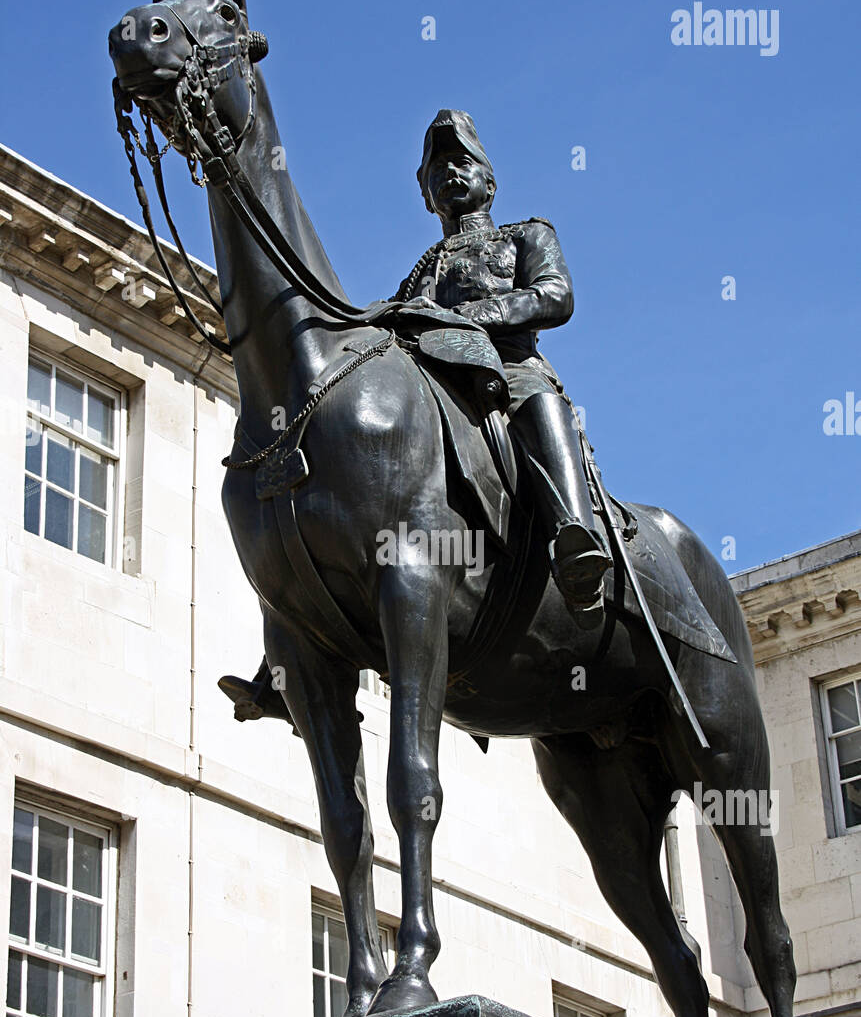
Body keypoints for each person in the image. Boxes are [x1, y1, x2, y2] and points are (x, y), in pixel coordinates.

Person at [220, 109, 611, 722]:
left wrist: (476, 317)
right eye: (438, 168)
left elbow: (556, 297)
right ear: (426, 193)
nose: (452, 173)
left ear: (489, 180)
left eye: (464, 163)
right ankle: (287, 665)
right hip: (438, 386)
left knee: (539, 404)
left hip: (506, 371)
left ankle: (574, 532)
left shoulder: (524, 236)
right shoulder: (421, 271)